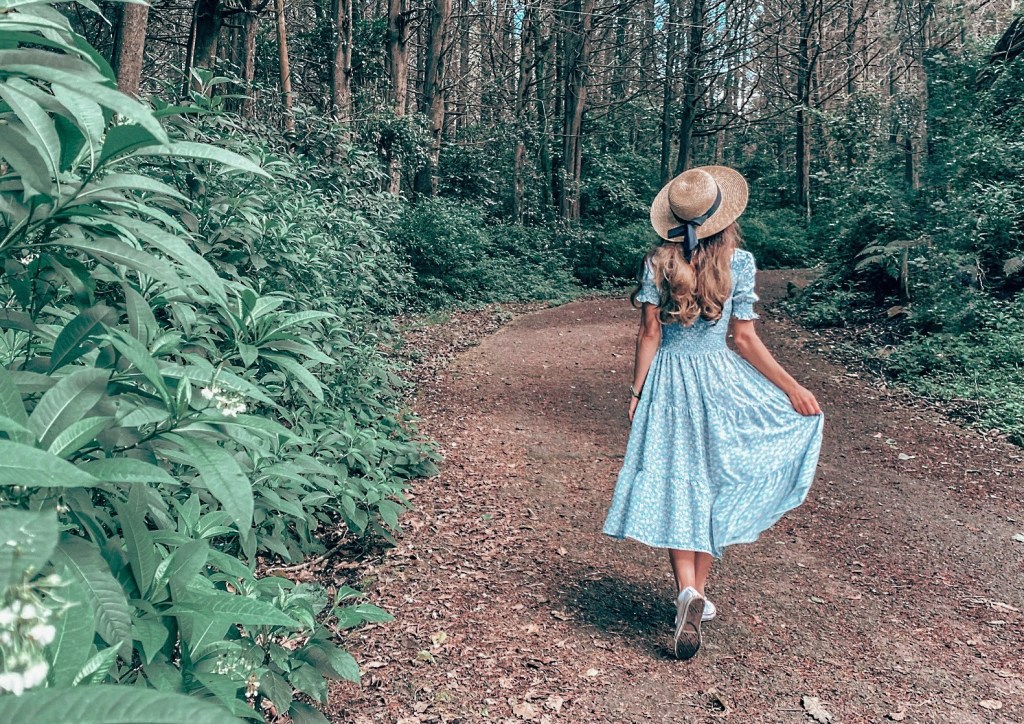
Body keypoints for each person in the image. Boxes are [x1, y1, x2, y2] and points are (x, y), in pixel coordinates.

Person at [602, 166, 825, 660]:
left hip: (669, 382)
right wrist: (792, 388)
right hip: (717, 379)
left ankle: (688, 591)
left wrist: (637, 392)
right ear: (723, 216)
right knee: (711, 480)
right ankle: (696, 592)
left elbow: (650, 334)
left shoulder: (658, 261)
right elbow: (743, 340)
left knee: (676, 480)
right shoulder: (739, 262)